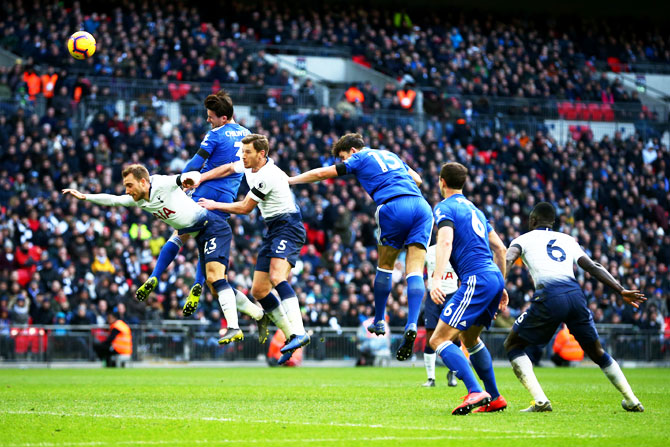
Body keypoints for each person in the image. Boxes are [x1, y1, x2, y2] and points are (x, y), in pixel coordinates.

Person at [62, 164, 261, 345]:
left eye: (129, 185)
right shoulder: (138, 200)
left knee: (215, 280)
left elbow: (183, 177)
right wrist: (85, 196)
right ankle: (258, 314)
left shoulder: (161, 183)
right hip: (197, 231)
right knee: (212, 283)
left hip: (213, 227)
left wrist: (190, 179)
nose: (127, 190)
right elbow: (114, 200)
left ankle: (233, 326)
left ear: (143, 181)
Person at [288, 133, 432, 362]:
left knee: (385, 266)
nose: (344, 161)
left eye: (344, 157)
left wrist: (291, 180)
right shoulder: (390, 154)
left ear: (352, 151)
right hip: (422, 207)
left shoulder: (360, 157)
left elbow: (321, 173)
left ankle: (378, 319)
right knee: (414, 270)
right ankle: (412, 322)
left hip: (393, 206)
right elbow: (418, 180)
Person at [504, 202, 645, 412]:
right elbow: (592, 266)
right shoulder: (567, 239)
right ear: (553, 222)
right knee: (597, 352)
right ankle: (632, 400)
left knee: (513, 345)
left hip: (550, 296)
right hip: (575, 295)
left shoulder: (522, 239)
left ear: (532, 221)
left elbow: (507, 258)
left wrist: (498, 287)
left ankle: (541, 401)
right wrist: (620, 289)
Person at [185, 134, 310, 365]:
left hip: (289, 226)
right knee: (259, 291)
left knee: (276, 276)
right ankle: (291, 336)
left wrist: (214, 205)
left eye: (248, 152)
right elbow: (225, 169)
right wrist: (201, 177)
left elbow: (245, 208)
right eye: (242, 152)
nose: (243, 156)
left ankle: (300, 331)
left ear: (261, 154)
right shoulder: (247, 164)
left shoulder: (268, 175)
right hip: (272, 228)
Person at [135, 91, 254, 322]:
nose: (208, 120)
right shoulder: (248, 135)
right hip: (226, 199)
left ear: (224, 117)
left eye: (211, 116)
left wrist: (182, 181)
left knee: (179, 235)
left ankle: (155, 275)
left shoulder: (215, 135)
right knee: (206, 240)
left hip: (204, 192)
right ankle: (198, 283)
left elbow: (195, 164)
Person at [429, 162, 508, 415]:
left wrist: (437, 278)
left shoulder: (444, 207)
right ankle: (494, 397)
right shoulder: (476, 210)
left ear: (442, 181)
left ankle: (475, 390)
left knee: (438, 339)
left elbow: (446, 241)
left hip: (476, 277)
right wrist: (501, 285)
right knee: (470, 338)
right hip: (492, 276)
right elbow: (501, 249)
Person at [422, 244, 459, 388]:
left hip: (452, 295)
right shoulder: (429, 251)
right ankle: (431, 378)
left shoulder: (456, 250)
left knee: (453, 336)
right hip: (433, 295)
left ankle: (453, 372)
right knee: (430, 336)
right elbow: (418, 268)